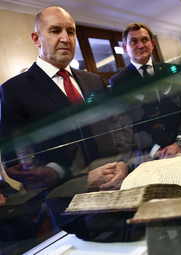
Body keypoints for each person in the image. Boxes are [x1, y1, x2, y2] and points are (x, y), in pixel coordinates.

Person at [0, 6, 128, 191]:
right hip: (66, 199)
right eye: (55, 30)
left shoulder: (94, 80)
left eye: (71, 31)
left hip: (117, 182)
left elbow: (118, 125)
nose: (65, 39)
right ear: (36, 39)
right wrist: (81, 180)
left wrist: (123, 163)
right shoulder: (13, 90)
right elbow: (17, 163)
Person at [110, 22, 181, 160]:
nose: (140, 45)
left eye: (144, 40)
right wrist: (154, 150)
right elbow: (124, 123)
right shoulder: (119, 81)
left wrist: (180, 142)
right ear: (125, 47)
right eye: (133, 41)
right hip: (149, 155)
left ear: (152, 44)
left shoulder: (171, 70)